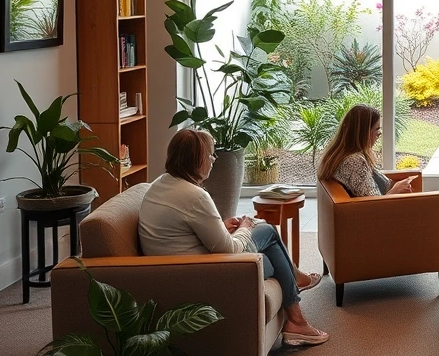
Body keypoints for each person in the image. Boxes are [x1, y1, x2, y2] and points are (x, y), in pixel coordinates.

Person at [138, 129, 329, 348]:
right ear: (197, 160)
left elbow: (184, 234)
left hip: (179, 269)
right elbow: (229, 250)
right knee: (268, 236)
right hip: (208, 273)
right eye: (210, 155)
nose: (213, 161)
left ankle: (295, 292)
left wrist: (222, 227)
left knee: (268, 240)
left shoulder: (160, 184)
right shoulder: (194, 196)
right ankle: (296, 316)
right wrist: (245, 227)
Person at [317, 104, 415, 197]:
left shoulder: (348, 155)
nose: (380, 133)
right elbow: (373, 206)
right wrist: (396, 190)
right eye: (377, 129)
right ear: (363, 133)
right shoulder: (354, 162)